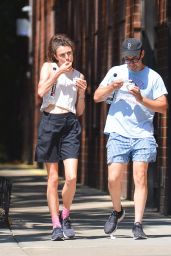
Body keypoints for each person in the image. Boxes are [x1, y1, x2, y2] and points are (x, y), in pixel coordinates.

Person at [94, 38, 168, 239]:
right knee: (113, 177)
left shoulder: (153, 77)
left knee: (140, 177)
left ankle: (137, 224)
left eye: (134, 58)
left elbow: (163, 106)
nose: (131, 63)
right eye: (127, 59)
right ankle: (117, 211)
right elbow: (97, 96)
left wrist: (141, 99)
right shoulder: (116, 72)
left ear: (142, 54)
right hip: (118, 132)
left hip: (143, 134)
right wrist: (112, 87)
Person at [35, 34, 87, 241]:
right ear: (55, 56)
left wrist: (82, 94)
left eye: (70, 53)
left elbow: (80, 111)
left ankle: (65, 215)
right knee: (53, 178)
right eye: (63, 55)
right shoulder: (49, 68)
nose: (67, 58)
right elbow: (41, 91)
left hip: (70, 123)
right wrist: (58, 75)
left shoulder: (79, 75)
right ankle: (55, 224)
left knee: (72, 177)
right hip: (50, 121)